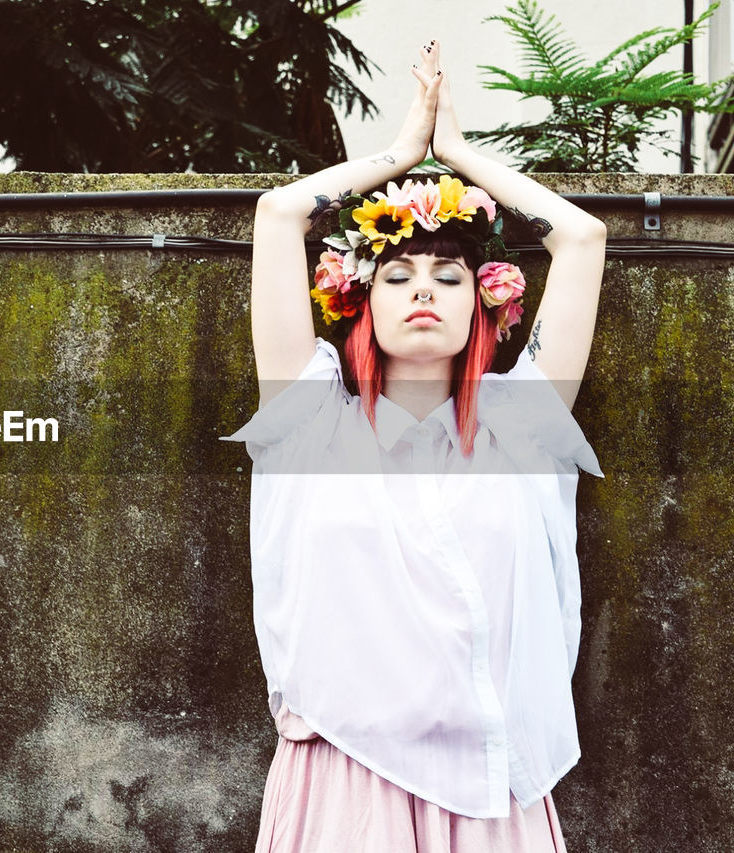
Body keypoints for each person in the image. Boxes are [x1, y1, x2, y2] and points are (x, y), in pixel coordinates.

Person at [219, 40, 608, 852]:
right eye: (396, 276)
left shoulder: (522, 425)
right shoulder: (311, 421)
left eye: (449, 276)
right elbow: (278, 214)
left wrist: (459, 157)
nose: (422, 288)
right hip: (342, 780)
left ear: (483, 304)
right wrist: (400, 157)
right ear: (361, 304)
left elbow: (580, 237)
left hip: (491, 787)